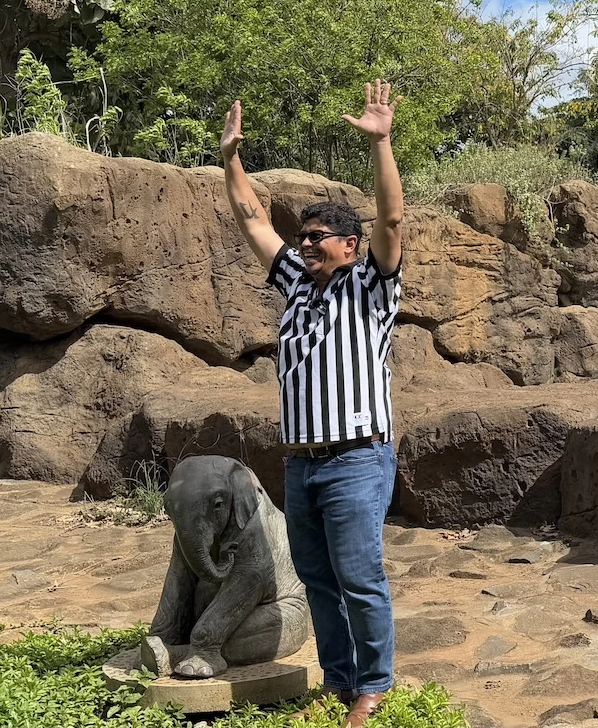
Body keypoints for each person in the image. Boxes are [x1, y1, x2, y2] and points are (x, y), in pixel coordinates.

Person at [220, 81, 405, 727]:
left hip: (357, 459)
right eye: (302, 236)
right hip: (302, 464)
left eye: (318, 235)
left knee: (359, 579)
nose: (304, 243)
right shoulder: (297, 283)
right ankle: (337, 680)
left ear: (349, 244)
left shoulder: (371, 286)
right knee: (319, 580)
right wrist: (230, 160)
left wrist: (381, 144)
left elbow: (390, 218)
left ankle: (372, 687)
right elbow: (250, 219)